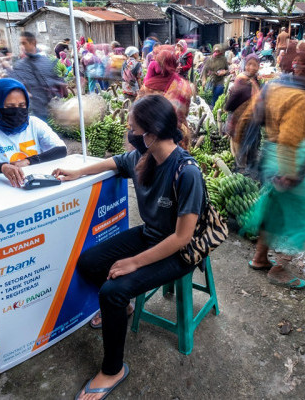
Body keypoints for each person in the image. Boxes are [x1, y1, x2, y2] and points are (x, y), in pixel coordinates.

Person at [52, 95, 205, 400]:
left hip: (178, 251)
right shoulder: (143, 158)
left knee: (112, 291)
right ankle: (124, 307)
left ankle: (112, 369)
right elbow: (114, 162)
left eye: (132, 127)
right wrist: (77, 172)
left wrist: (134, 262)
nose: (128, 131)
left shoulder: (187, 173)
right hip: (151, 236)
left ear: (149, 133)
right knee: (89, 263)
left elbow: (181, 238)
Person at [240, 45, 305, 289]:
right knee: (300, 218)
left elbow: (251, 115)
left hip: (271, 154)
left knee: (272, 211)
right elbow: (290, 138)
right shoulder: (300, 98)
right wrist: (289, 173)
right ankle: (280, 268)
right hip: (288, 159)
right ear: (304, 70)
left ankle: (260, 258)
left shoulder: (274, 86)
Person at [0, 78, 66, 186]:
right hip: (2, 190)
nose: (17, 111)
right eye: (10, 107)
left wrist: (29, 161)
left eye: (21, 105)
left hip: (35, 186)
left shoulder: (34, 124)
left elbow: (61, 150)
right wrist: (2, 167)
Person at [7, 32, 64, 120]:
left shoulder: (46, 61)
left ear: (33, 42)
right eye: (20, 44)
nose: (21, 47)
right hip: (30, 111)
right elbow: (13, 83)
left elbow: (54, 78)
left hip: (45, 109)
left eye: (24, 43)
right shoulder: (20, 65)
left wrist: (61, 84)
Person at [225, 53, 260, 159]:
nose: (252, 67)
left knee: (246, 145)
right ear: (245, 65)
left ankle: (244, 165)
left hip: (250, 120)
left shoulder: (255, 80)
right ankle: (240, 167)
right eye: (249, 64)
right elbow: (233, 99)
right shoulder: (242, 78)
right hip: (238, 118)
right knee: (238, 146)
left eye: (255, 65)